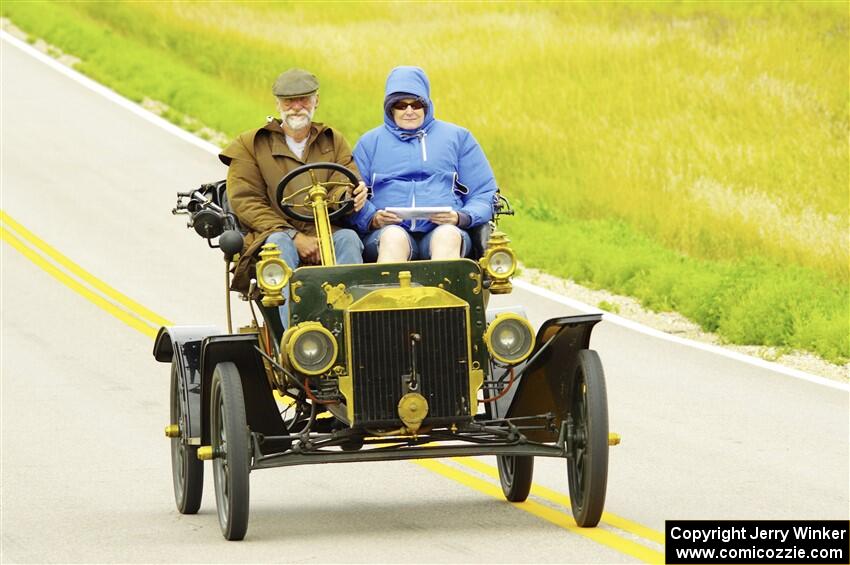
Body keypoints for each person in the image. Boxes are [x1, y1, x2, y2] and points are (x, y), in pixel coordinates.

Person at [219, 68, 367, 321]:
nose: (296, 107)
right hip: (272, 233)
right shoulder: (250, 145)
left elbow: (343, 181)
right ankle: (295, 338)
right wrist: (293, 235)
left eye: (304, 100)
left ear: (316, 101)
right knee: (278, 246)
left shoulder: (333, 140)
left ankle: (350, 327)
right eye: (289, 101)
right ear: (278, 104)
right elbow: (246, 201)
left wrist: (351, 195)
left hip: (325, 232)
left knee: (349, 239)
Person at [351, 66, 497, 262]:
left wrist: (461, 217)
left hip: (444, 229)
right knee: (393, 238)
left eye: (417, 104)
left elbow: (484, 193)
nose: (409, 111)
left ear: (427, 105)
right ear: (389, 108)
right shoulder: (369, 143)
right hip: (386, 232)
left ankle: (444, 292)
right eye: (401, 105)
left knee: (447, 236)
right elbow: (352, 196)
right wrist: (372, 219)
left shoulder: (458, 138)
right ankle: (391, 293)